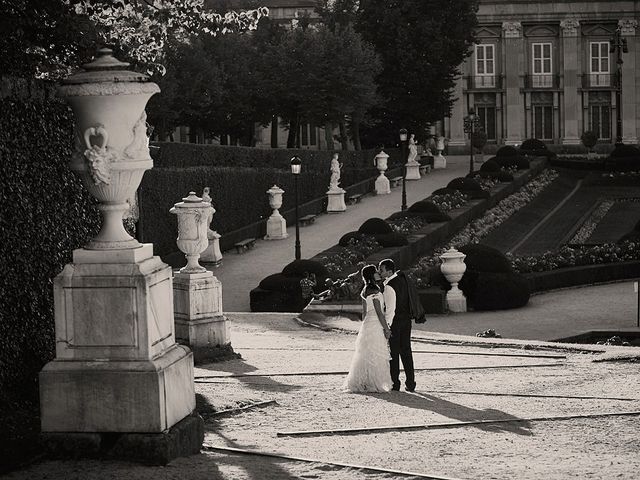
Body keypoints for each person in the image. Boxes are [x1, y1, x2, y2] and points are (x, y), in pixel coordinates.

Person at [343, 265, 393, 393]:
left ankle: (362, 381)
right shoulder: (375, 290)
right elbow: (379, 313)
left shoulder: (364, 290)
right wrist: (386, 328)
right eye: (376, 272)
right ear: (372, 275)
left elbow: (364, 313)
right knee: (375, 354)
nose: (378, 273)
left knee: (365, 354)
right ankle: (372, 382)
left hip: (367, 325)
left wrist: (364, 327)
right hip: (375, 324)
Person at [379, 258, 416, 392]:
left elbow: (390, 310)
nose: (379, 272)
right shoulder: (403, 281)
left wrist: (386, 327)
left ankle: (395, 383)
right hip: (406, 320)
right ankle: (411, 383)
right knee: (406, 351)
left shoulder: (389, 286)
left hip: (395, 322)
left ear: (389, 271)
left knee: (393, 352)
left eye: (381, 270)